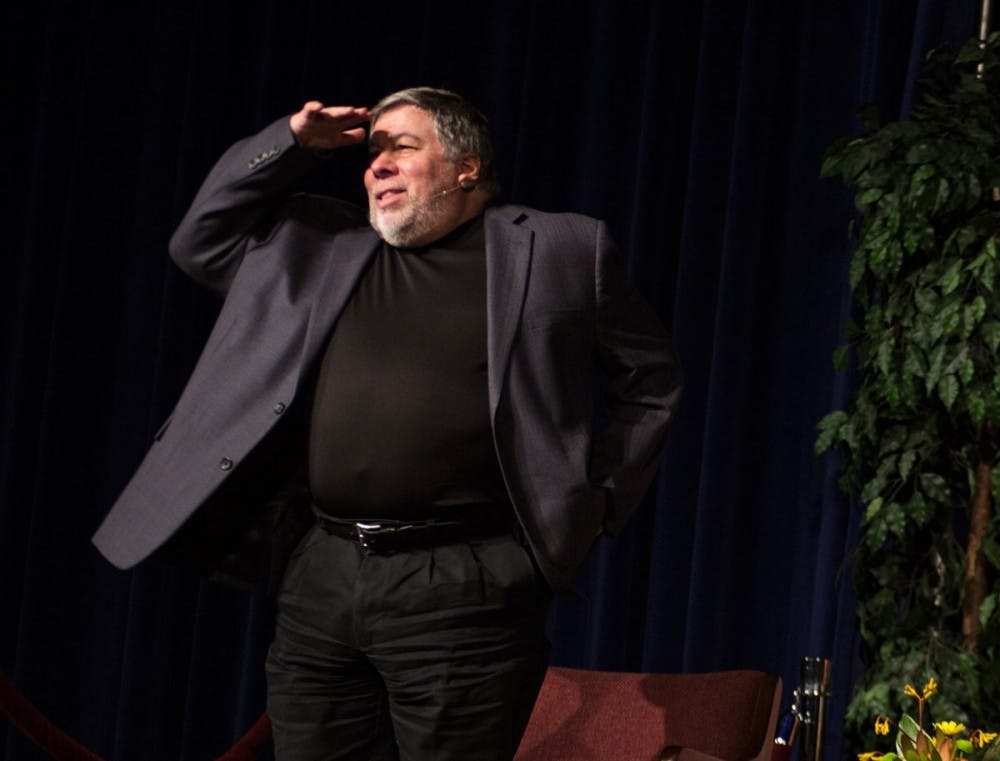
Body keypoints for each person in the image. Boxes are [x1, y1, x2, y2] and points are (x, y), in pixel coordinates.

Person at [93, 87, 682, 760]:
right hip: (323, 569)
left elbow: (652, 377)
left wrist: (598, 500)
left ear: (467, 166)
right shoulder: (319, 243)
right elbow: (199, 242)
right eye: (372, 152)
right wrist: (290, 142)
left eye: (402, 146)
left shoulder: (561, 250)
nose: (378, 164)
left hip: (467, 578)